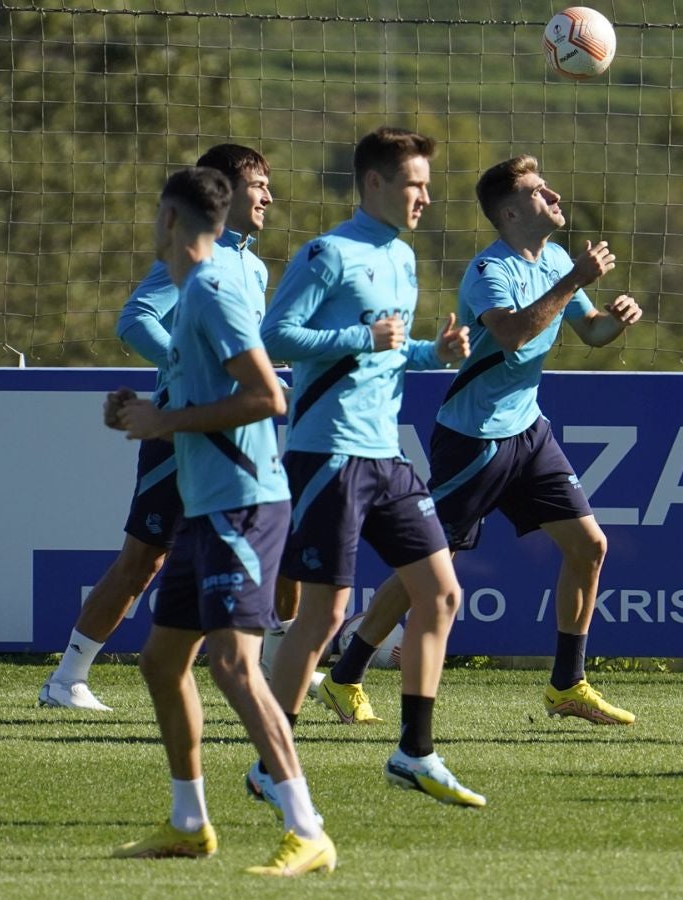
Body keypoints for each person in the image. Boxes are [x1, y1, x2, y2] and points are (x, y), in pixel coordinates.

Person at [335, 154, 641, 726]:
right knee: (428, 564)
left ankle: (566, 685)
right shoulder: (488, 271)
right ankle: (346, 675)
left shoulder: (552, 258)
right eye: (536, 188)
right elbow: (511, 334)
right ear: (509, 210)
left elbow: (593, 332)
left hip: (529, 429)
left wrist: (616, 318)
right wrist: (575, 278)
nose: (552, 192)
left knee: (589, 547)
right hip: (474, 438)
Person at [108, 167, 335, 876]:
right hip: (207, 502)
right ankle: (188, 822)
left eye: (155, 215)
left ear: (170, 219)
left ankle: (307, 827)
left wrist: (164, 420)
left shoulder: (210, 290)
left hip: (244, 500)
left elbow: (267, 396)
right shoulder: (190, 293)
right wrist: (140, 413)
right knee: (161, 661)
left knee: (234, 665)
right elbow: (197, 389)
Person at [255, 126, 484, 807]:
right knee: (322, 618)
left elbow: (386, 351)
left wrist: (429, 353)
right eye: (415, 184)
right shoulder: (328, 253)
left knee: (440, 593)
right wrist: (361, 335)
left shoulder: (403, 259)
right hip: (328, 455)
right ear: (376, 183)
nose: (426, 198)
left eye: (427, 186)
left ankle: (415, 753)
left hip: (386, 454)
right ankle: (271, 763)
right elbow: (273, 336)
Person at [37, 143, 300, 711]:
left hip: (235, 435)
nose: (269, 198)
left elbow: (236, 347)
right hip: (181, 433)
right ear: (225, 194)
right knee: (143, 560)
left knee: (279, 543)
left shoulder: (252, 266)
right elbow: (135, 319)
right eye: (260, 186)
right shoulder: (194, 257)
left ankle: (283, 666)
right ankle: (66, 680)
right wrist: (187, 377)